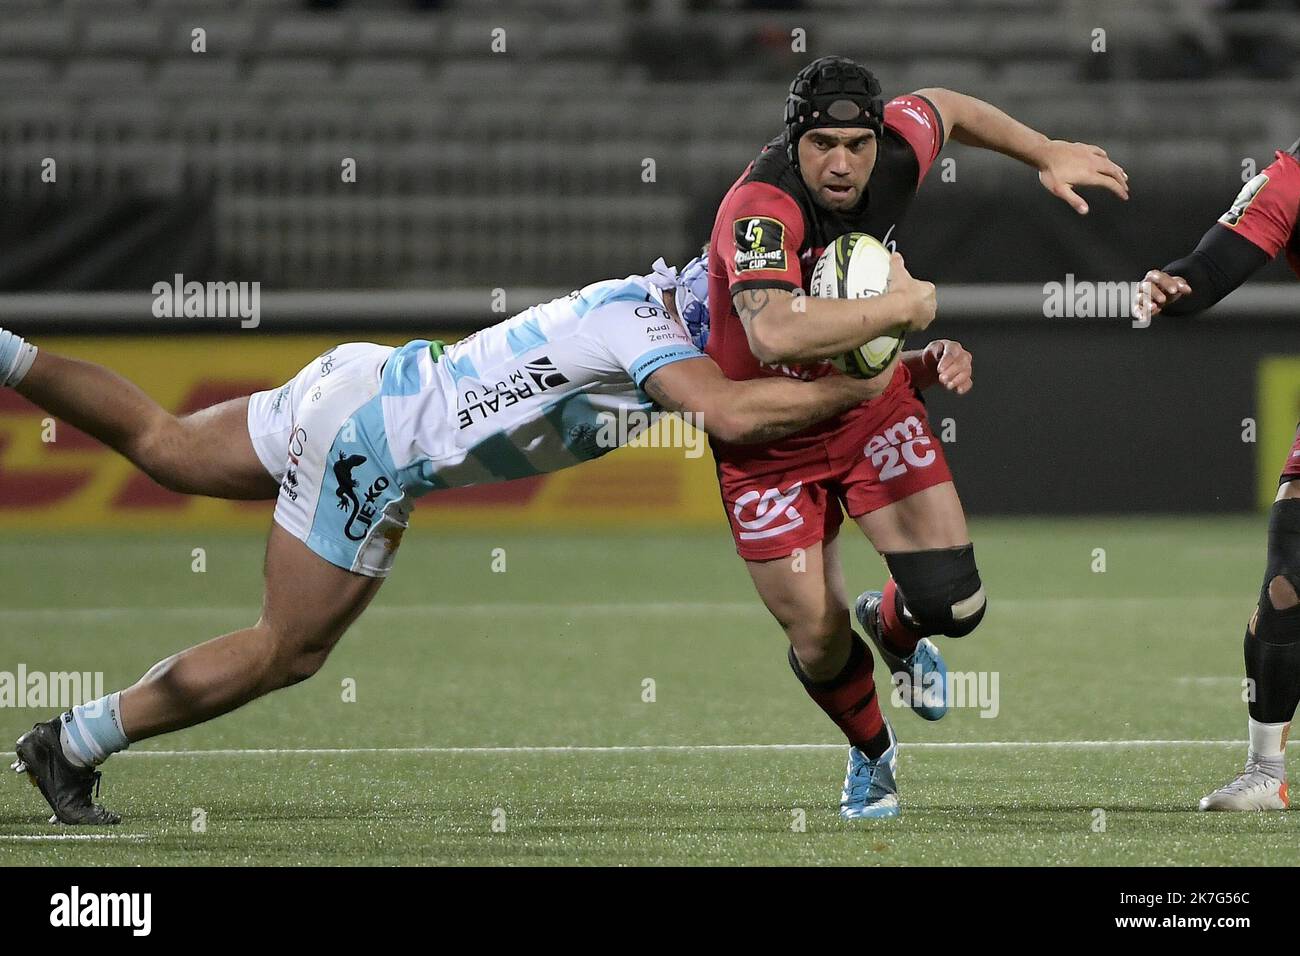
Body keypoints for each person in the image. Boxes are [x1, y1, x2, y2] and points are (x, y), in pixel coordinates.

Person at [1, 256, 970, 824]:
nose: (776, 340)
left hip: (364, 379)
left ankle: (9, 351)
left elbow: (764, 378)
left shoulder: (656, 302)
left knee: (165, 446)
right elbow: (731, 412)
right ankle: (70, 741)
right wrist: (869, 375)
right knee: (285, 648)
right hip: (372, 449)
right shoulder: (652, 340)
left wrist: (898, 374)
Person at [705, 54, 1129, 818]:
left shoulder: (898, 149)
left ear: (878, 138)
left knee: (955, 606)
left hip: (869, 408)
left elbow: (949, 104)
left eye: (857, 145)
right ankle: (872, 755)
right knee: (819, 638)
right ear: (793, 139)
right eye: (821, 145)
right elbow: (770, 332)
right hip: (767, 436)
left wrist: (1044, 151)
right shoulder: (761, 209)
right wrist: (909, 308)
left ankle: (894, 629)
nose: (841, 164)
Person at [1133, 137, 1300, 812]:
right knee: (1290, 578)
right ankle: (1266, 771)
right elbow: (1222, 256)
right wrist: (1182, 283)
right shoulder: (1293, 176)